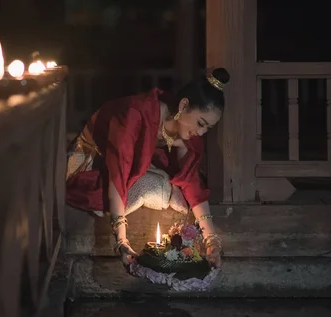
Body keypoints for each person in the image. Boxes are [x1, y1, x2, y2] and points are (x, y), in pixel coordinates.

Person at [66, 68, 229, 268]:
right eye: (201, 123)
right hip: (91, 162)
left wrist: (211, 240)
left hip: (128, 164)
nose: (201, 132)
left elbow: (192, 183)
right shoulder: (134, 116)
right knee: (153, 186)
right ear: (184, 105)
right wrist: (122, 242)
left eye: (208, 129)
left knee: (170, 190)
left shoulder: (186, 133)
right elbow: (118, 174)